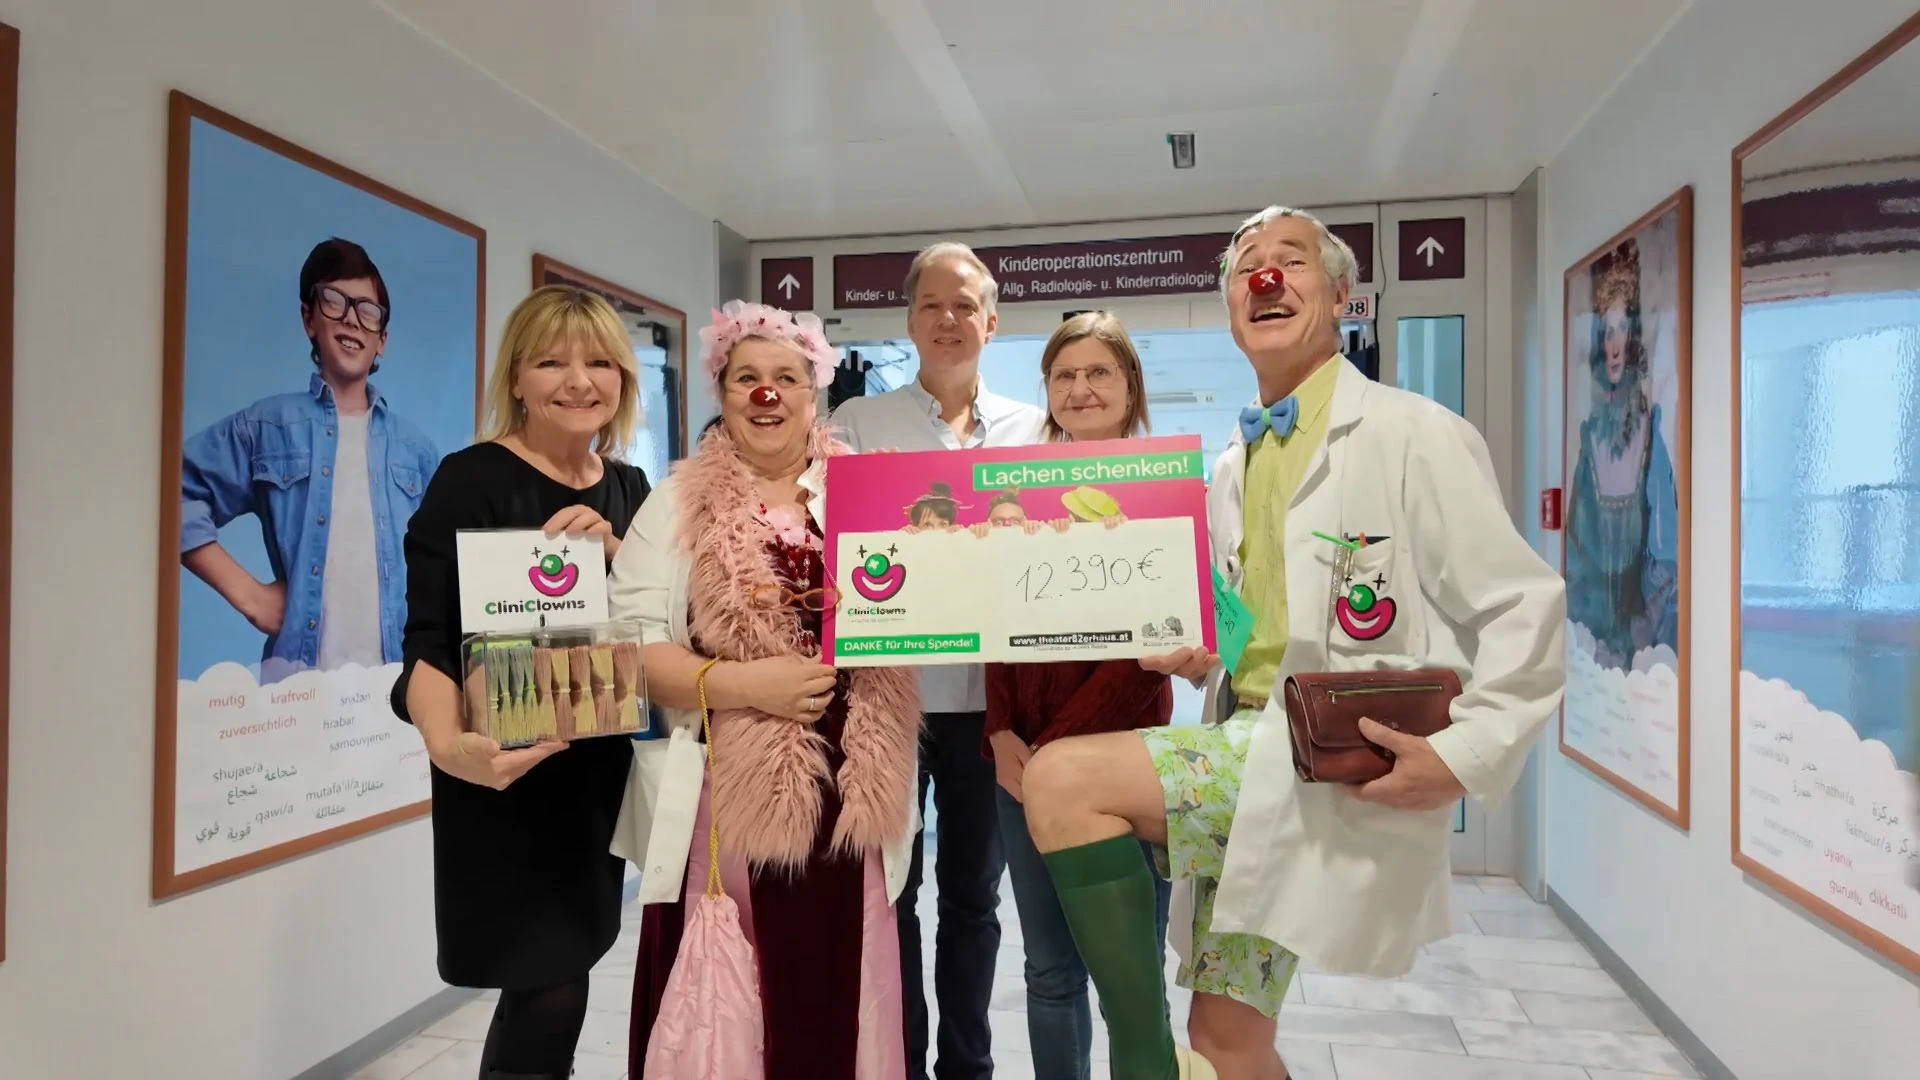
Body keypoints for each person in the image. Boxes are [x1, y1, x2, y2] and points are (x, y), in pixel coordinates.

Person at [1018, 206, 1566, 1080]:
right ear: (1234, 305)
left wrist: (1465, 755)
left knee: (1059, 778)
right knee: (1232, 1042)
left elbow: (1524, 605)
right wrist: (1208, 651)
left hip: (1320, 763)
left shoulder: (1411, 434)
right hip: (1249, 740)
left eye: (1291, 261)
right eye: (1246, 267)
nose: (1266, 277)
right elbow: (1249, 617)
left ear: (1343, 296)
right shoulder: (1234, 468)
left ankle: (1141, 1062)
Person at [612, 300, 923, 1079]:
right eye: (747, 377)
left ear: (815, 391)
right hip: (729, 801)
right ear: (721, 392)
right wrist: (748, 684)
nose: (767, 394)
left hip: (856, 790)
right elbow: (631, 648)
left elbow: (935, 601)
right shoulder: (676, 503)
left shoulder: (873, 493)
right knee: (739, 1009)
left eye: (786, 377)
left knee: (848, 992)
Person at [392, 285, 652, 1080]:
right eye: (552, 361)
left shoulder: (631, 491)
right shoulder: (471, 480)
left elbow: (667, 628)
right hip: (501, 780)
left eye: (600, 361)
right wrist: (449, 746)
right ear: (516, 378)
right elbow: (427, 644)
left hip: (594, 782)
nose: (579, 381)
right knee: (545, 988)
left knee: (558, 979)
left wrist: (618, 556)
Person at [829, 241, 1047, 1079]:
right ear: (910, 321)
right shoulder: (856, 425)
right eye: (932, 305)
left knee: (974, 900)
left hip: (992, 707)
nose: (948, 321)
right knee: (890, 896)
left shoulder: (1036, 429)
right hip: (889, 703)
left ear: (991, 322)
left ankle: (967, 1065)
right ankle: (897, 1065)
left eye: (965, 306)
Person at [983, 312, 1174, 1080]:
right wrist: (1000, 734)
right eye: (1065, 375)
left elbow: (1151, 652)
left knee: (1130, 974)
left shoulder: (1166, 488)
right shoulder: (1015, 490)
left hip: (1127, 767)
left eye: (1099, 372)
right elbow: (989, 618)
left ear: (1130, 385)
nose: (1081, 387)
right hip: (1017, 761)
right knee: (1048, 971)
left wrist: (1058, 756)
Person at [181, 237, 440, 681]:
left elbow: (448, 566)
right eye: (335, 302)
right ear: (308, 318)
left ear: (383, 340)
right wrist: (249, 595)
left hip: (398, 694)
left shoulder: (415, 450)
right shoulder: (268, 426)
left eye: (368, 311)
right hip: (298, 695)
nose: (352, 321)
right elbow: (172, 490)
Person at [1564, 239, 1680, 669]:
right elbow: (1575, 547)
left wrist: (1643, 623)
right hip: (1592, 633)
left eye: (1621, 330)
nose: (1614, 346)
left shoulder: (1651, 434)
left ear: (1632, 338)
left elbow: (1665, 552)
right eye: (1606, 331)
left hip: (1640, 635)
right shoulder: (1589, 435)